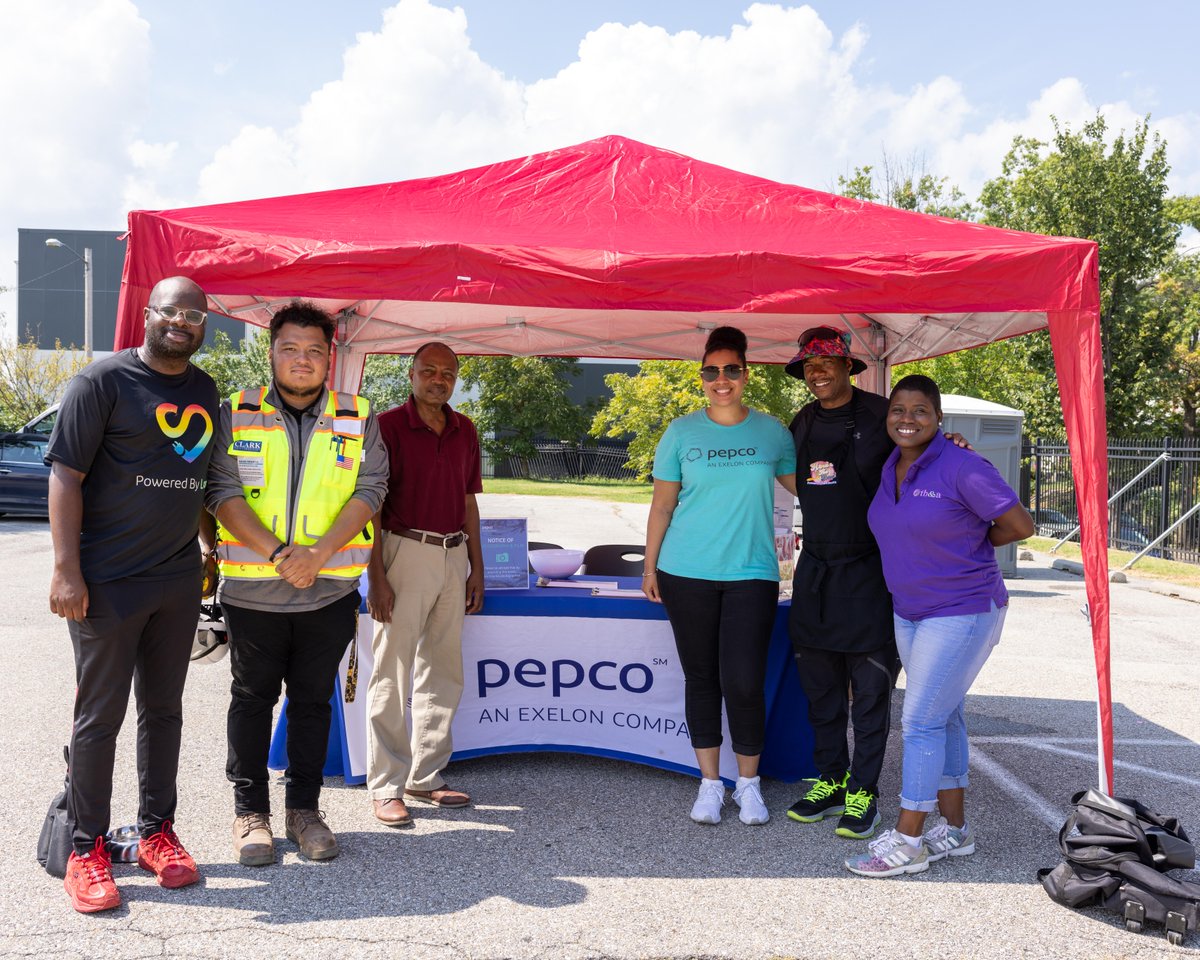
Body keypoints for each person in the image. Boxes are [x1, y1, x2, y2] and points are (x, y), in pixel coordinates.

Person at [47, 276, 218, 913]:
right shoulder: (101, 383)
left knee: (165, 711)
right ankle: (85, 849)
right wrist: (66, 571)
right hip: (107, 582)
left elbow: (198, 477)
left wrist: (207, 547)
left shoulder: (204, 390)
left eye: (194, 315)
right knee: (100, 717)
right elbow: (66, 476)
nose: (181, 323)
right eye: (171, 311)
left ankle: (156, 833)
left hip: (176, 580)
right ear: (148, 314)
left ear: (204, 326)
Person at [206, 302, 388, 865]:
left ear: (330, 358)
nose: (302, 360)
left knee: (312, 703)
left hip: (327, 591)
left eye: (314, 350)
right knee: (251, 701)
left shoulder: (358, 417)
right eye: (290, 348)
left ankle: (304, 811)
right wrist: (281, 554)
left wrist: (318, 555)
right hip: (253, 593)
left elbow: (371, 489)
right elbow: (221, 490)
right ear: (272, 354)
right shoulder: (236, 411)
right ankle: (250, 814)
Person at [846, 374, 1033, 877]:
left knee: (921, 721)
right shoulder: (891, 464)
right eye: (898, 410)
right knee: (944, 716)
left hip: (962, 608)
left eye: (920, 411)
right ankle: (955, 831)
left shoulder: (963, 465)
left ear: (938, 418)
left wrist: (970, 544)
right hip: (909, 610)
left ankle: (909, 841)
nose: (907, 419)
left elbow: (1020, 525)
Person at [642, 325, 797, 825]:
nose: (721, 379)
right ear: (702, 377)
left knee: (745, 682)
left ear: (746, 375)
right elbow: (662, 506)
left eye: (731, 369)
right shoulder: (680, 432)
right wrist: (650, 565)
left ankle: (748, 786)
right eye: (712, 371)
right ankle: (710, 784)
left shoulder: (773, 432)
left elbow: (814, 486)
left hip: (752, 572)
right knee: (702, 678)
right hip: (685, 571)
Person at [365, 341, 484, 826]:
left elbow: (469, 500)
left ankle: (425, 775)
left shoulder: (464, 429)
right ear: (411, 375)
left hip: (453, 555)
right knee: (391, 671)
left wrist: (477, 568)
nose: (439, 380)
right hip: (404, 551)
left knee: (443, 669)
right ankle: (385, 785)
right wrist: (376, 576)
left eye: (448, 373)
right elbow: (370, 505)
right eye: (429, 371)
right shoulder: (387, 426)